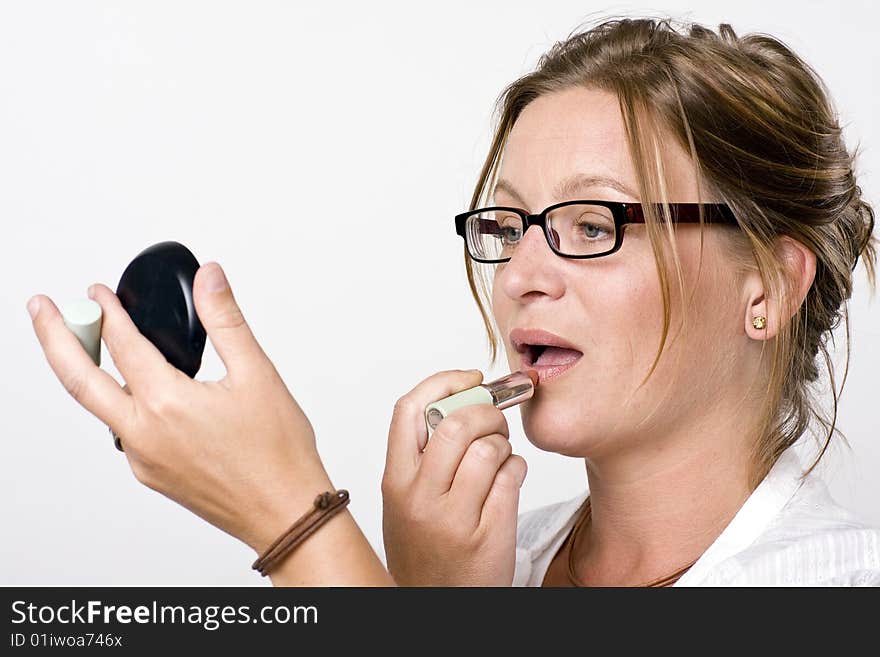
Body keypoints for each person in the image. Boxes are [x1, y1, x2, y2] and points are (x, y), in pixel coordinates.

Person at [27, 16, 880, 586]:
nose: (520, 274)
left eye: (592, 223)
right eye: (508, 225)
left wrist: (297, 523)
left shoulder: (839, 579)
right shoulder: (490, 558)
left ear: (767, 284)